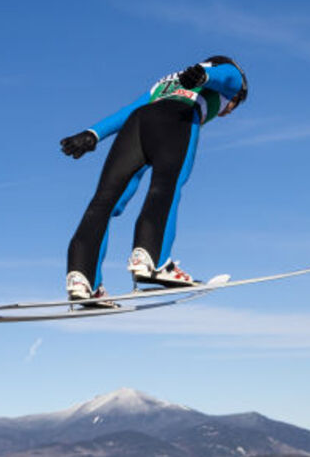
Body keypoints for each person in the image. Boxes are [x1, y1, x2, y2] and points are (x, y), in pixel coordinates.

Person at [59, 56, 248, 304]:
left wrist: (93, 134)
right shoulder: (227, 80)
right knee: (166, 186)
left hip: (137, 123)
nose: (228, 112)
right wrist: (206, 76)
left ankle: (82, 279)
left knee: (104, 200)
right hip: (177, 118)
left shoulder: (166, 82)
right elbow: (229, 76)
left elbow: (130, 109)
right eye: (235, 105)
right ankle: (153, 260)